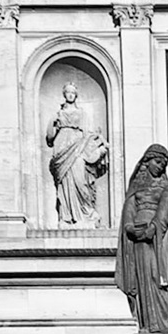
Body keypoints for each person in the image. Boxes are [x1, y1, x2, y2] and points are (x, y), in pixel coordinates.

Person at [115, 145, 168, 334]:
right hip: (138, 238)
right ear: (146, 162)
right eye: (158, 162)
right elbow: (129, 209)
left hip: (156, 239)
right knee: (142, 278)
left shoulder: (166, 188)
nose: (161, 167)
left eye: (164, 164)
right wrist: (129, 227)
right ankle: (148, 324)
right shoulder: (136, 188)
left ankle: (164, 323)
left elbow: (163, 213)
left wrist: (152, 229)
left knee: (157, 277)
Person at [46, 80, 108, 226]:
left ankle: (86, 212)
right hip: (61, 146)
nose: (71, 95)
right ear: (64, 94)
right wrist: (52, 123)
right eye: (68, 92)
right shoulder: (58, 114)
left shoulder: (82, 113)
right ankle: (66, 216)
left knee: (80, 180)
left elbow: (88, 133)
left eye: (73, 93)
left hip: (78, 145)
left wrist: (98, 143)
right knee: (64, 181)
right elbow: (50, 137)